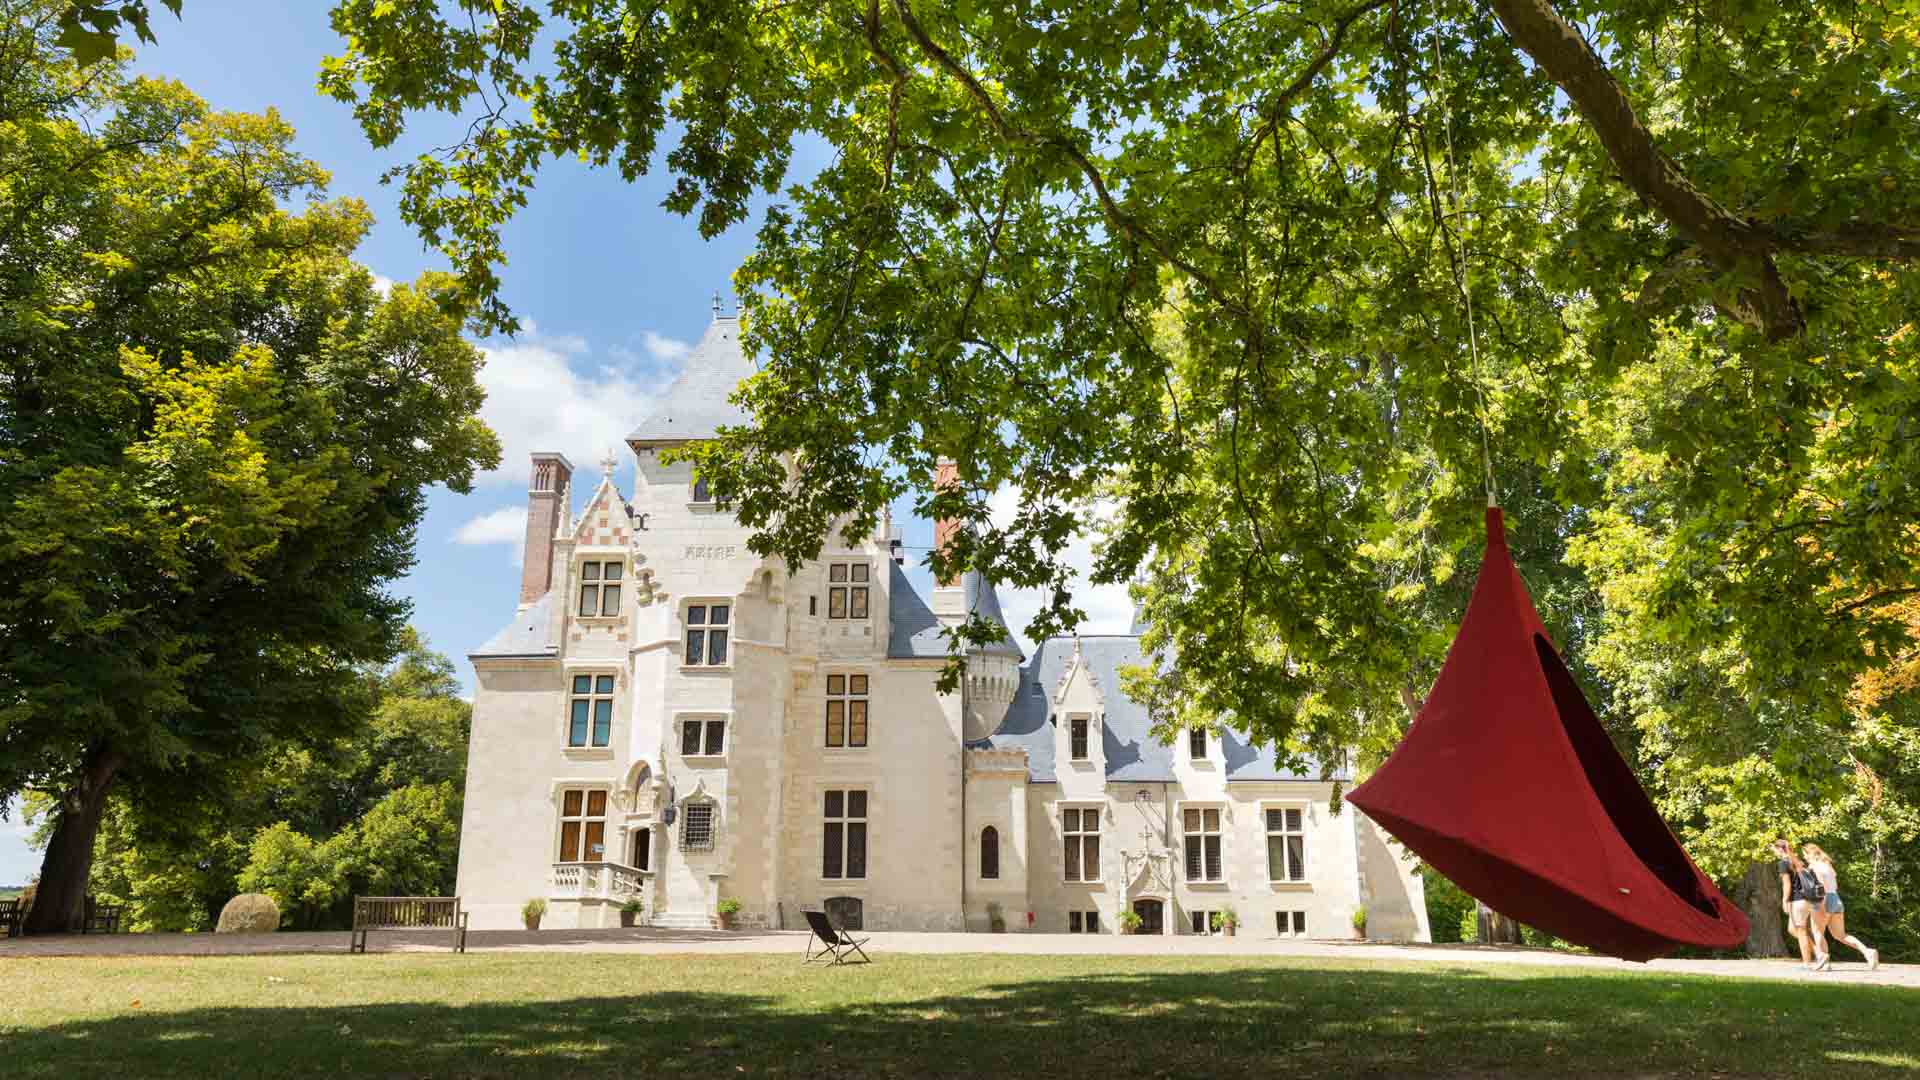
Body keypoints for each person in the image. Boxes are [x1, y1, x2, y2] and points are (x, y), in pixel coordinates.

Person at [1803, 844, 1880, 972]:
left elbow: (1821, 885)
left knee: (1817, 932)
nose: (1804, 857)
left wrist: (1821, 905)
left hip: (1824, 899)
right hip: (1836, 898)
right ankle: (1867, 951)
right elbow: (1835, 885)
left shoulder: (1813, 867)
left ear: (1811, 854)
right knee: (1840, 935)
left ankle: (1824, 963)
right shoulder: (1828, 866)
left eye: (1805, 854)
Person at [1774, 838, 1825, 971]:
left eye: (1774, 850)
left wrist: (1784, 900)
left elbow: (1787, 884)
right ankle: (1819, 953)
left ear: (1780, 849)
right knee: (1792, 929)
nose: (1774, 853)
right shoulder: (1798, 862)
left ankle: (1807, 964)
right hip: (1807, 900)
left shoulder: (1783, 863)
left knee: (1801, 931)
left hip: (1797, 900)